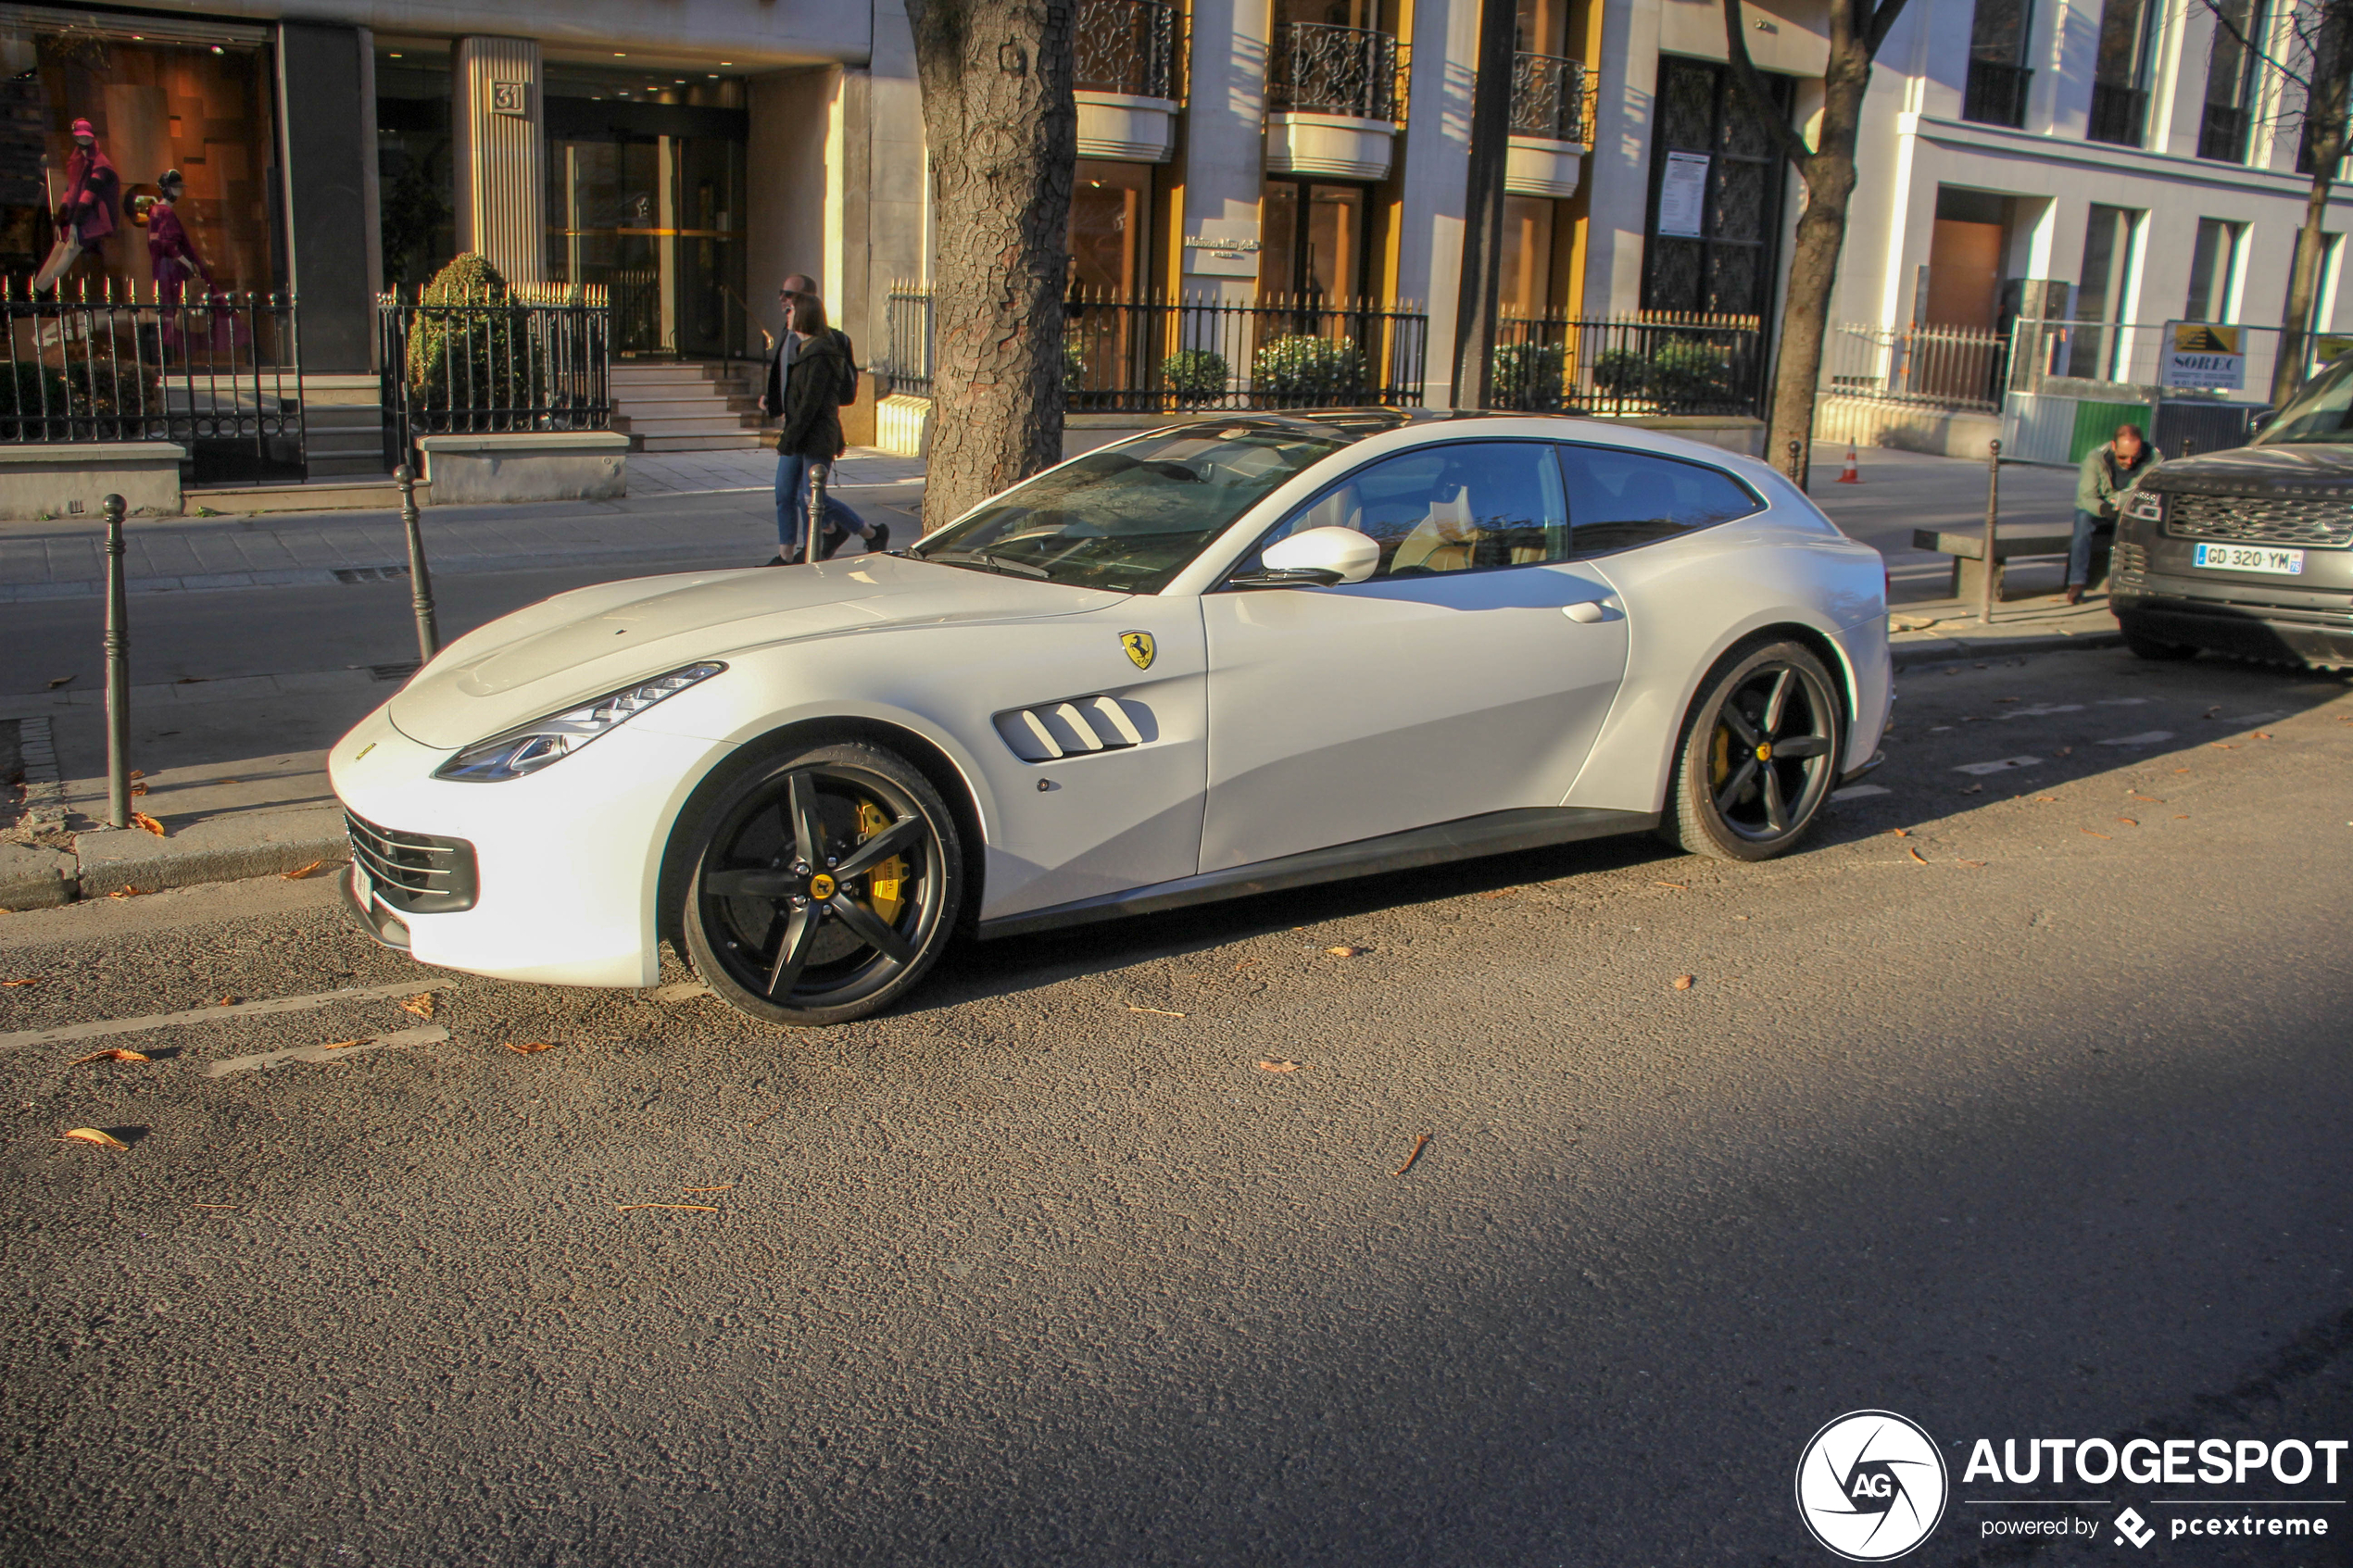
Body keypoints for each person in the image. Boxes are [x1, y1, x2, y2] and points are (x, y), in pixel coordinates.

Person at [758, 274, 887, 563]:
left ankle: (849, 534)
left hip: (812, 432)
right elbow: (784, 381)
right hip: (795, 428)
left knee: (811, 498)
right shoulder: (790, 338)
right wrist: (774, 403)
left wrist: (788, 438)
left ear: (806, 304)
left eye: (789, 297)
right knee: (785, 493)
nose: (783, 302)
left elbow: (814, 401)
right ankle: (788, 552)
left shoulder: (825, 347)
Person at [2068, 422, 2158, 605]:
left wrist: (2123, 505)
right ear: (2114, 446)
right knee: (2083, 519)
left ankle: (2130, 581)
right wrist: (2104, 509)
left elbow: (2148, 493)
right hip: (2100, 508)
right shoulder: (2095, 459)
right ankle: (2077, 582)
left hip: (2131, 508)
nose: (2129, 462)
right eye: (2123, 457)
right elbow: (2086, 497)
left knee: (2147, 525)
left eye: (2135, 457)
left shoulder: (2153, 460)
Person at [33, 119, 118, 293]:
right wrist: (61, 220)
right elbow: (71, 191)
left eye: (87, 137)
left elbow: (89, 193)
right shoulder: (76, 160)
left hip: (91, 220)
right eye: (81, 137)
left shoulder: (100, 163)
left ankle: (39, 291)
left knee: (69, 253)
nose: (84, 141)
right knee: (60, 250)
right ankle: (37, 290)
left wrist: (73, 223)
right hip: (79, 217)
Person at [145, 169, 210, 349]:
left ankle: (170, 344)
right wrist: (190, 264)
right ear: (166, 188)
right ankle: (172, 345)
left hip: (163, 268)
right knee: (174, 307)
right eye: (175, 187)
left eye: (179, 187)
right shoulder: (165, 213)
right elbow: (170, 245)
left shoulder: (157, 211)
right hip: (171, 269)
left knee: (170, 308)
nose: (179, 191)